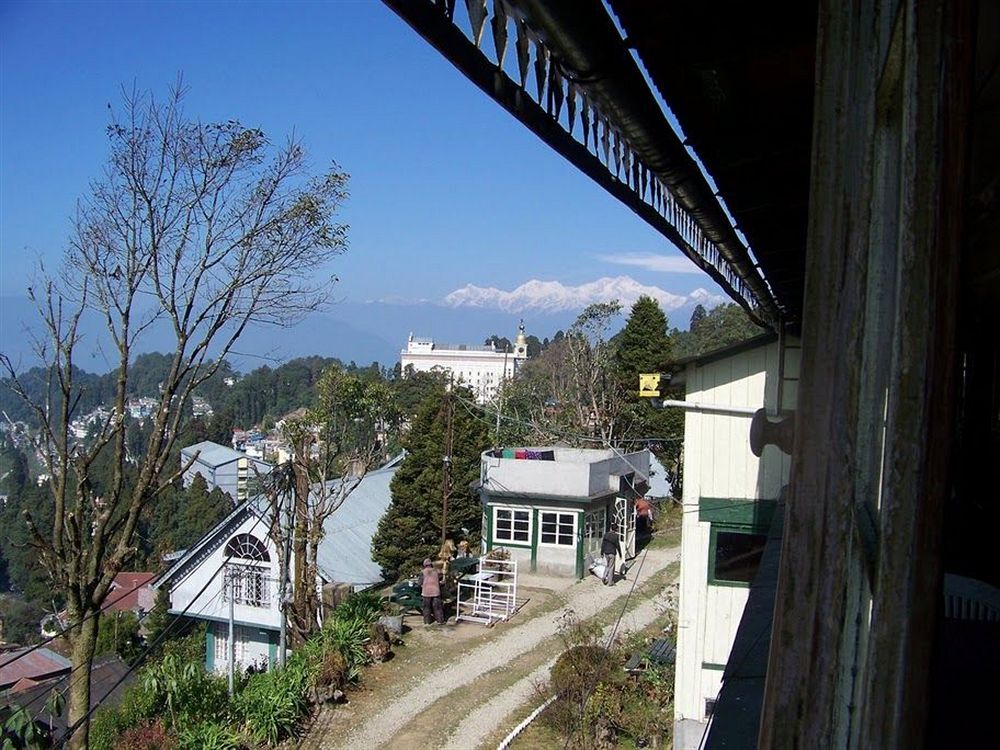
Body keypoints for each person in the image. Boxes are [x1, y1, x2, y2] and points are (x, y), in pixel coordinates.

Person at [420, 558, 445, 625]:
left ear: (424, 565)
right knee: (437, 608)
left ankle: (427, 622)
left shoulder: (423, 572)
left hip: (426, 593)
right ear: (431, 564)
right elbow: (441, 579)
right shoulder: (437, 571)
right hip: (436, 592)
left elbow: (419, 583)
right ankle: (440, 621)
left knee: (426, 608)